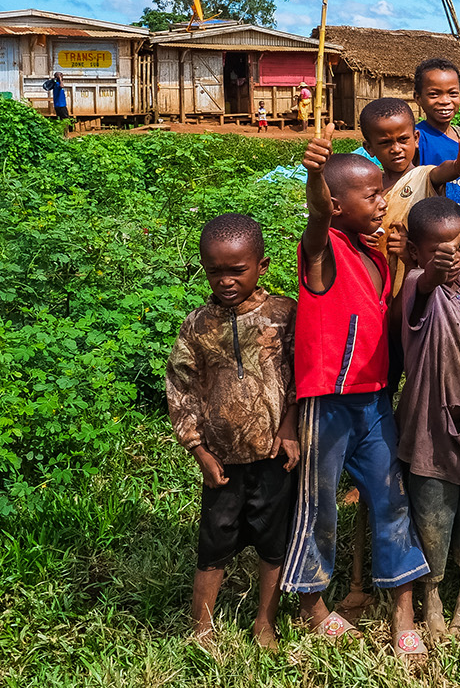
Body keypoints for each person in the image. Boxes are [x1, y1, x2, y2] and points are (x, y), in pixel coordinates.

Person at [284, 137, 431, 658]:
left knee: (391, 498)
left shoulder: (374, 251)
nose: (381, 202)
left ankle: (403, 610)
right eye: (370, 196)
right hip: (327, 402)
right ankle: (312, 605)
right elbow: (317, 221)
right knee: (318, 504)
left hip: (373, 399)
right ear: (336, 204)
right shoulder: (320, 252)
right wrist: (314, 181)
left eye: (381, 194)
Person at [165, 214, 298, 648]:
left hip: (277, 455)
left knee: (274, 542)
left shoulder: (283, 314)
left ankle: (265, 620)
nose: (225, 280)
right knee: (213, 542)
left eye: (236, 270)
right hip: (221, 460)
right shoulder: (197, 325)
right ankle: (201, 627)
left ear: (261, 265)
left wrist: (291, 426)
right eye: (214, 270)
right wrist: (198, 449)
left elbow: (302, 377)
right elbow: (180, 388)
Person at [396, 197, 460, 637]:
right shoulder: (418, 289)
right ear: (416, 253)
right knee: (432, 513)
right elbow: (424, 286)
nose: (453, 256)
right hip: (428, 427)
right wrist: (433, 269)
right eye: (440, 249)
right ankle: (432, 594)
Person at [358, 98, 460, 297]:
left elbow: (442, 171)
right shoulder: (371, 189)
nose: (396, 149)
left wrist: (458, 166)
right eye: (385, 143)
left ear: (416, 138)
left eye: (403, 140)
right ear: (369, 148)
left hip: (421, 286)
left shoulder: (424, 176)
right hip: (378, 285)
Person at [411, 58, 460, 284]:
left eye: (453, 93)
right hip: (434, 246)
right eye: (434, 94)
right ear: (418, 98)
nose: (445, 101)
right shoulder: (417, 139)